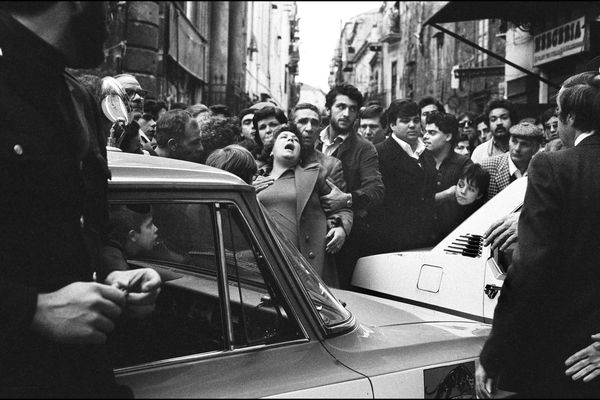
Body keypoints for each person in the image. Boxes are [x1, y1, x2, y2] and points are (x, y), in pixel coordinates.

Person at [0, 2, 161, 397]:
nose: (110, 13)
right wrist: (30, 311)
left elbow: (89, 225)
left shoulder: (77, 96)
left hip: (83, 375)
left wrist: (114, 272)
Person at [476, 71, 600, 398]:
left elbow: (530, 269)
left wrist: (493, 354)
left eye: (558, 115)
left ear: (571, 118)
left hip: (565, 356)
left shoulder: (551, 167)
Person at [254, 124, 352, 287]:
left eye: (295, 139)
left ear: (300, 154)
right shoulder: (256, 177)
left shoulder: (315, 174)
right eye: (284, 137)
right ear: (271, 150)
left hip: (305, 260)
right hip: (267, 257)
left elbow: (341, 206)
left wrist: (341, 228)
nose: (290, 139)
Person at [315, 83, 384, 289]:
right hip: (307, 229)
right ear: (329, 109)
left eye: (352, 109)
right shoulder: (311, 140)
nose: (346, 113)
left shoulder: (364, 148)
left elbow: (376, 190)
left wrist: (346, 198)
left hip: (343, 239)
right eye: (341, 107)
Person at [371, 99, 437, 253]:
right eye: (405, 121)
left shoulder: (425, 152)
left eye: (415, 120)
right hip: (393, 241)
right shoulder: (379, 153)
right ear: (392, 125)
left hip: (426, 237)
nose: (412, 125)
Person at [421, 112, 473, 241]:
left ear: (448, 136)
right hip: (421, 237)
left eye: (432, 133)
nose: (425, 137)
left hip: (453, 238)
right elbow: (412, 203)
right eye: (425, 132)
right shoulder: (418, 162)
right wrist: (447, 194)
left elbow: (468, 201)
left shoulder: (464, 164)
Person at [480, 121, 544, 201]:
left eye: (524, 144)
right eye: (514, 141)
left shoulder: (542, 170)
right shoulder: (487, 167)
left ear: (535, 149)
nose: (517, 149)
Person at [436, 163, 489, 238]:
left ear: (479, 195)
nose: (463, 191)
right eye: (461, 185)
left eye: (471, 189)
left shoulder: (481, 216)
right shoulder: (444, 207)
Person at [471, 99, 519, 164]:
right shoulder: (479, 152)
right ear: (488, 124)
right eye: (493, 119)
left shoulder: (523, 148)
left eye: (504, 118)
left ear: (512, 120)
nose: (499, 123)